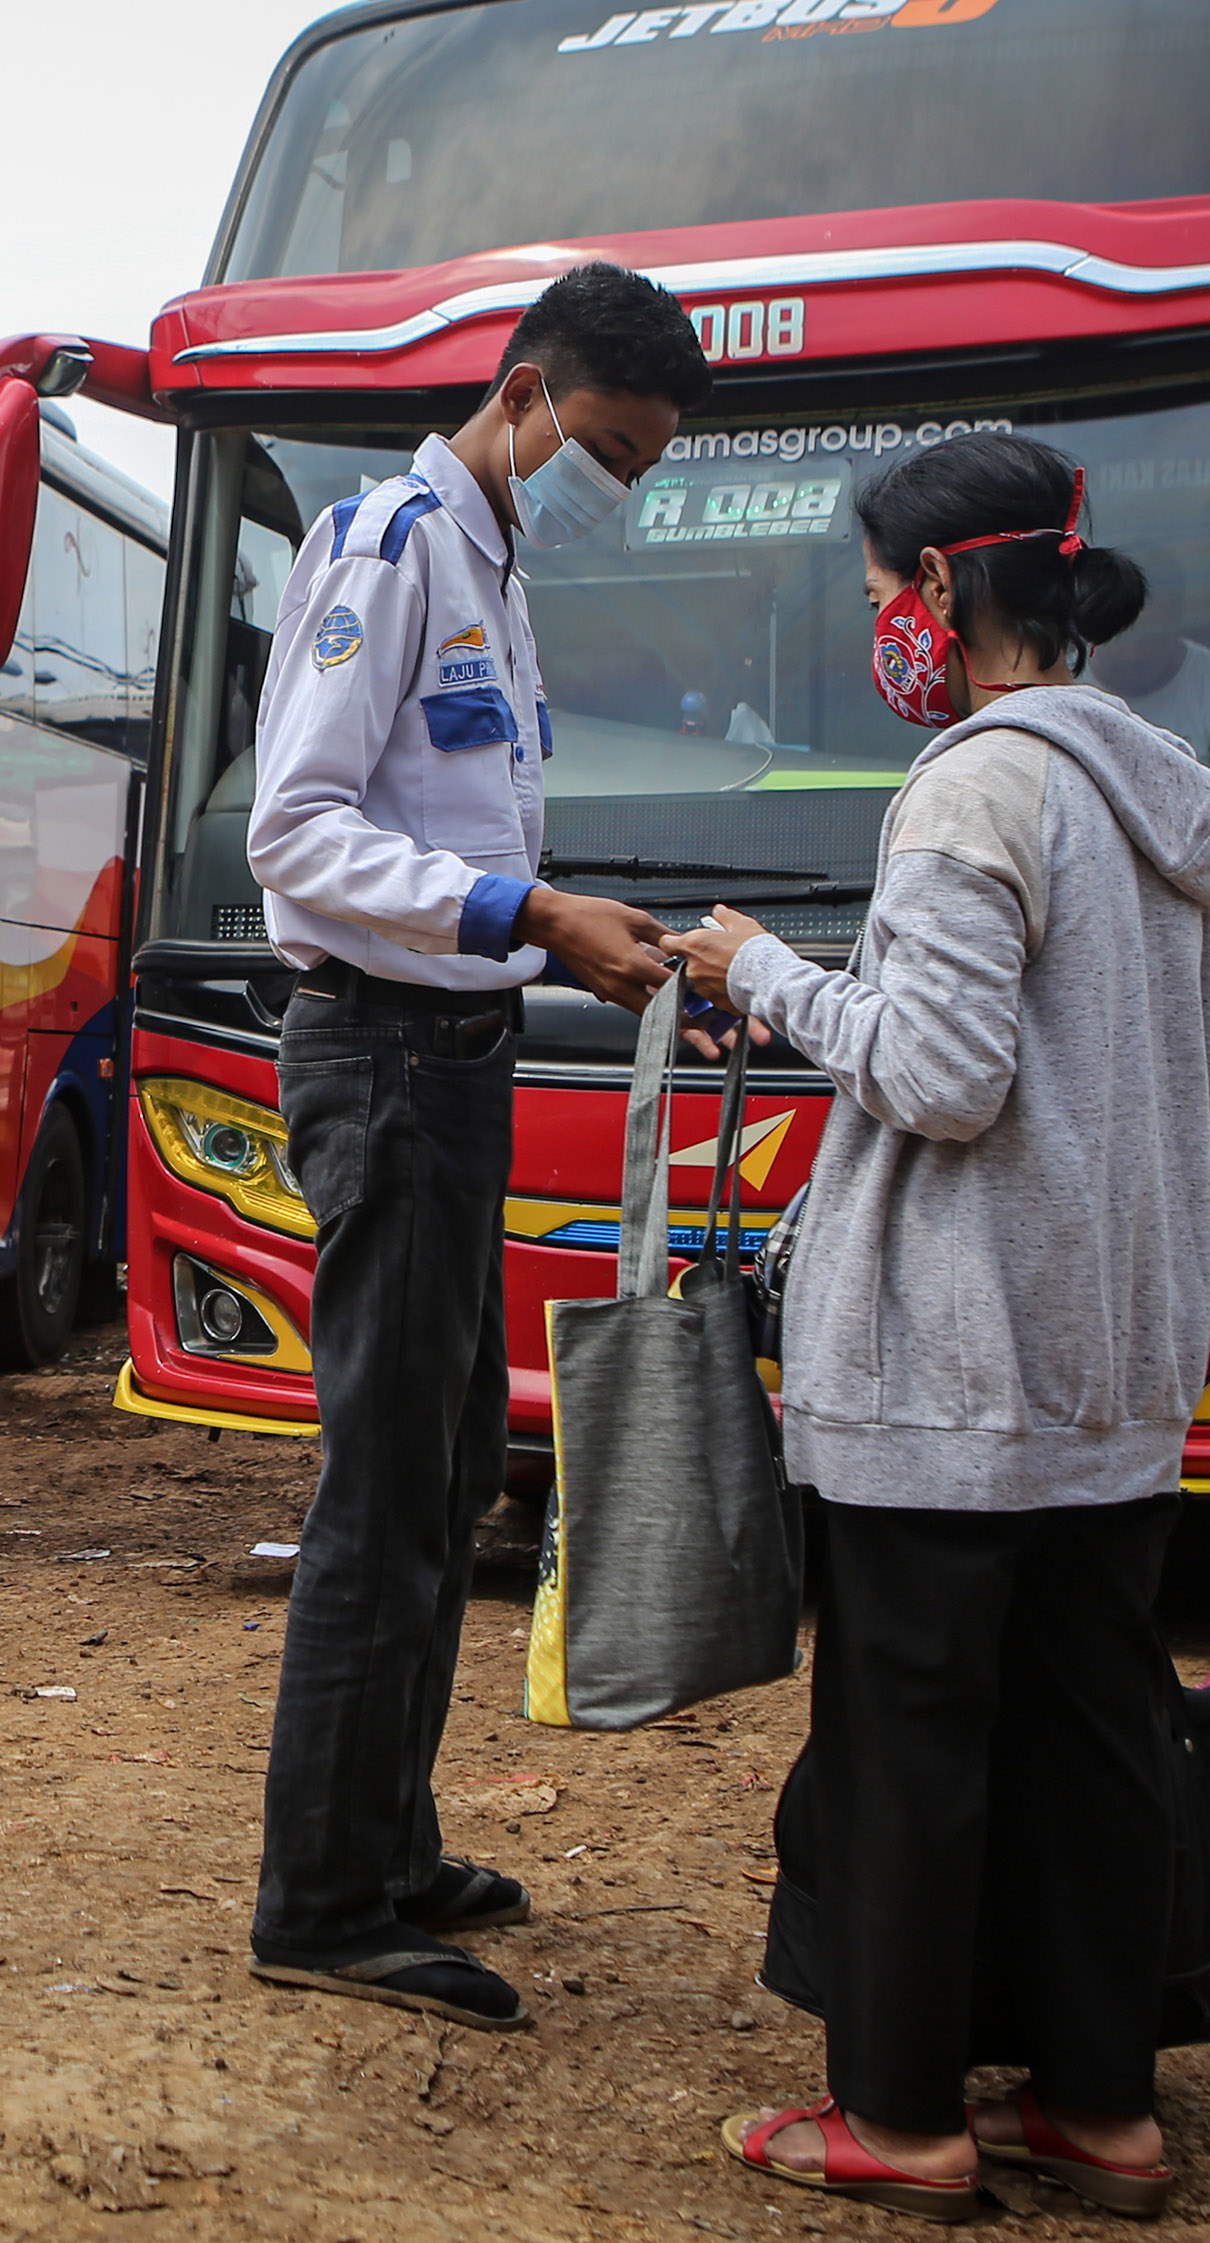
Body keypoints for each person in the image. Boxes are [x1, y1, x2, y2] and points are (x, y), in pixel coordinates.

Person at [664, 430, 1210, 2223]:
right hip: (1111, 1359)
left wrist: (754, 972)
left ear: (944, 591)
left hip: (954, 1363)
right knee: (1092, 1734)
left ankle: (902, 2116)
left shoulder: (975, 786)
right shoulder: (1166, 789)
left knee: (905, 1743)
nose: (880, 635)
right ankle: (1098, 2107)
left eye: (876, 599)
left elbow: (941, 1074)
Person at [238, 262, 707, 2032]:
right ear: (522, 392)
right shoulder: (389, 546)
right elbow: (297, 833)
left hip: (455, 1054)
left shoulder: (492, 570)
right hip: (383, 1058)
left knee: (444, 1470)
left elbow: (457, 836)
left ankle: (391, 1839)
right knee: (385, 1482)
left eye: (647, 465)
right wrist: (524, 904)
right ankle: (322, 1896)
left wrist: (576, 927)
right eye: (607, 446)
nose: (621, 487)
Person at [1098, 619, 1210, 768]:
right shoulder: (1071, 681)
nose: (1131, 654)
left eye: (1148, 639)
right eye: (1118, 637)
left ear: (1172, 630)